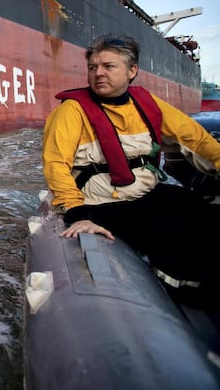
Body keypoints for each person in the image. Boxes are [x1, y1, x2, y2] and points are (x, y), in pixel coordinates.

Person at [42, 34, 220, 291]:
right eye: (93, 67)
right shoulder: (71, 111)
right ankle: (184, 289)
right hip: (102, 204)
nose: (98, 73)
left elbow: (196, 139)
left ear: (132, 70)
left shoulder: (146, 104)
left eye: (108, 67)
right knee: (167, 230)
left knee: (201, 212)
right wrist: (78, 214)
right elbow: (55, 164)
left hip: (145, 194)